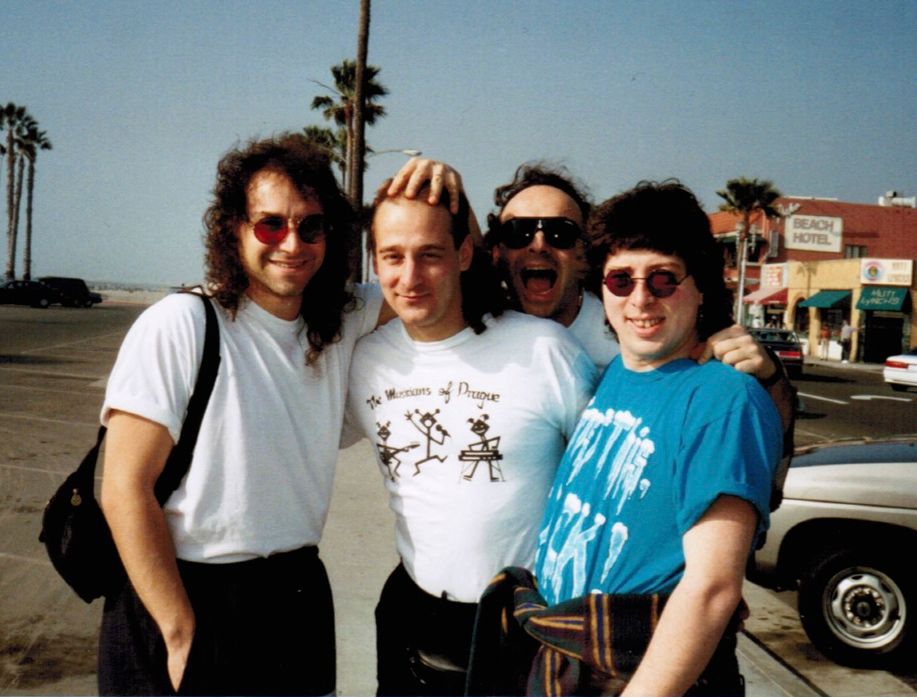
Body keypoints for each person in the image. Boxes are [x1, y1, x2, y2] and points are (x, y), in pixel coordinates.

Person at [468, 180, 783, 696]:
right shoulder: (616, 373)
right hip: (568, 657)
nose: (640, 299)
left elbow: (711, 589)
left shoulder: (723, 397)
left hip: (638, 674)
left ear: (701, 286)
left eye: (663, 279)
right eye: (621, 280)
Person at [98, 133, 385, 696]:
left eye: (311, 226)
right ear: (234, 228)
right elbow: (124, 489)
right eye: (270, 225)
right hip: (184, 593)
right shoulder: (183, 323)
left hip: (297, 594)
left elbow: (442, 280)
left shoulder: (340, 321)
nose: (292, 243)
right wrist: (179, 630)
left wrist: (441, 190)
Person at [344, 181, 597, 695]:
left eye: (430, 255)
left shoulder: (545, 350)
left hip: (522, 626)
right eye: (392, 256)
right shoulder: (364, 360)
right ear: (374, 261)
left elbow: (608, 485)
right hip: (411, 617)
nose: (410, 277)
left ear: (464, 254)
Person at [387, 159, 794, 427]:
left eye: (561, 233)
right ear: (497, 251)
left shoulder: (636, 326)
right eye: (518, 232)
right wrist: (446, 184)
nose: (538, 245)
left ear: (586, 255)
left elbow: (760, 446)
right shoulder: (482, 316)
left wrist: (770, 378)